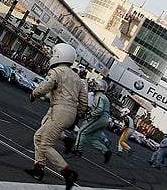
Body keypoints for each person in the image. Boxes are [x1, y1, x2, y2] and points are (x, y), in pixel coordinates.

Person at [24, 42, 87, 190]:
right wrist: (76, 117)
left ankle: (68, 172)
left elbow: (46, 86)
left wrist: (34, 93)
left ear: (59, 55)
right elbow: (83, 102)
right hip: (71, 113)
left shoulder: (56, 71)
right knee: (38, 137)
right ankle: (38, 169)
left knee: (45, 144)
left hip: (59, 110)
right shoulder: (78, 78)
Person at [70, 78, 112, 163]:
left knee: (82, 131)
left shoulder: (99, 96)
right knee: (92, 138)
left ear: (99, 87)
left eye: (95, 85)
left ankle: (78, 150)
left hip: (100, 117)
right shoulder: (104, 97)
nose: (93, 86)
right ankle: (105, 151)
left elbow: (99, 109)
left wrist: (90, 115)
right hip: (105, 118)